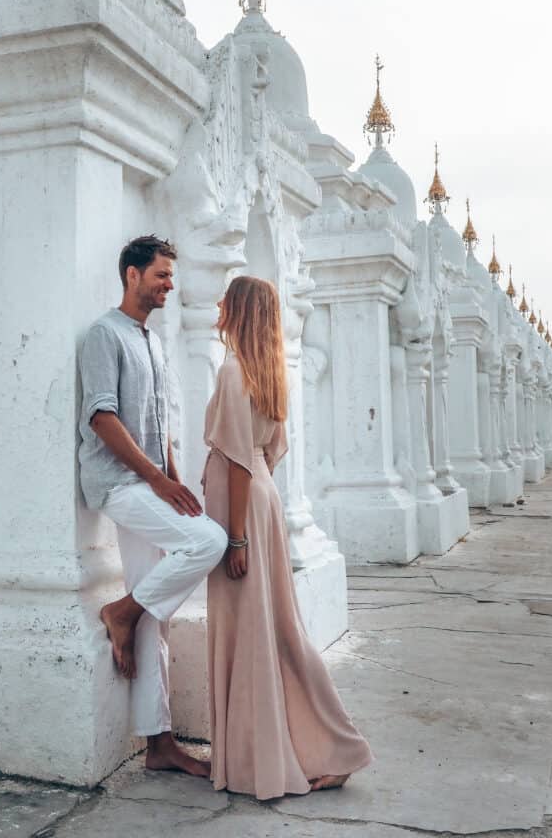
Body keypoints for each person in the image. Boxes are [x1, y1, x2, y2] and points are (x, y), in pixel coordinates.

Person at [203, 275, 374, 799]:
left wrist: (236, 538)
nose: (217, 305)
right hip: (262, 501)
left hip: (243, 508)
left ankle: (329, 748)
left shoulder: (234, 372)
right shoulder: (270, 375)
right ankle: (321, 748)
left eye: (225, 299)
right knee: (276, 628)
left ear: (239, 309)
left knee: (257, 632)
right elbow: (268, 453)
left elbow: (235, 461)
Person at [79, 235, 227, 777]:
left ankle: (160, 745)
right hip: (118, 484)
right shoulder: (104, 334)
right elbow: (103, 417)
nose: (169, 285)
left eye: (171, 276)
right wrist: (156, 483)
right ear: (132, 275)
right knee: (207, 541)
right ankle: (121, 610)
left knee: (152, 620)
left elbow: (160, 422)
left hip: (150, 483)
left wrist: (173, 479)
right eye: (162, 275)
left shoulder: (155, 343)